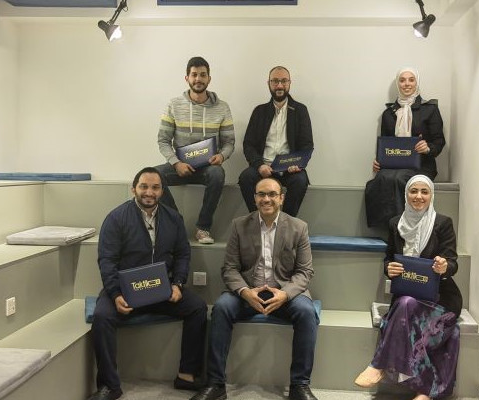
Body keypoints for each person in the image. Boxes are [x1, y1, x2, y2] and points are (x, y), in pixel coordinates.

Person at [191, 177, 320, 400]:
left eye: (271, 194)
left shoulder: (299, 227)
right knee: (221, 308)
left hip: (284, 292)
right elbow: (230, 268)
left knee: (307, 312)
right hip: (248, 292)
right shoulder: (239, 225)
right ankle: (215, 383)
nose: (266, 199)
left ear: (281, 198)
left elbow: (304, 272)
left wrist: (285, 294)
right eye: (261, 194)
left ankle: (299, 385)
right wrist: (245, 292)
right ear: (254, 198)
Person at [88, 167, 207, 400]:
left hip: (162, 290)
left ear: (162, 191)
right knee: (102, 318)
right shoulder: (116, 218)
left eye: (155, 187)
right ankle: (109, 386)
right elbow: (107, 260)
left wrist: (178, 284)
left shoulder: (174, 218)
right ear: (134, 189)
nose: (149, 192)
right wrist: (114, 294)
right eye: (144, 186)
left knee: (198, 308)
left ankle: (186, 375)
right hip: (126, 291)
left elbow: (183, 254)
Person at [355, 175, 462, 400]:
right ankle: (424, 390)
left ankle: (379, 365)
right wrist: (389, 268)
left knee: (406, 305)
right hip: (408, 295)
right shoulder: (396, 223)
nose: (419, 196)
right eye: (414, 191)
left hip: (441, 299)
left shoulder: (442, 223)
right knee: (405, 303)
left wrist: (444, 266)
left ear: (432, 195)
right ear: (406, 195)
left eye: (425, 191)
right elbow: (388, 259)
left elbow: (452, 262)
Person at [157, 56, 235, 244]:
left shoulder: (222, 107)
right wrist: (176, 163)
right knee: (153, 176)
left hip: (208, 168)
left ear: (209, 78)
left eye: (202, 75)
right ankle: (176, 223)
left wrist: (222, 156)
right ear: (187, 78)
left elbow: (229, 142)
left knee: (218, 174)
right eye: (194, 75)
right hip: (181, 167)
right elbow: (163, 140)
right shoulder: (173, 105)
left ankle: (203, 229)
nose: (198, 79)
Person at [365, 67, 445, 228]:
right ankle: (388, 228)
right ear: (398, 83)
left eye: (411, 79)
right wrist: (379, 161)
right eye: (402, 80)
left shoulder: (430, 109)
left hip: (422, 166)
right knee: (380, 179)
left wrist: (428, 147)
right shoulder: (389, 113)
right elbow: (385, 144)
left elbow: (439, 141)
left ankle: (405, 228)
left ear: (417, 82)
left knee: (400, 179)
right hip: (393, 166)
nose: (406, 84)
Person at [239, 66, 313, 217]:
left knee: (300, 180)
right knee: (246, 177)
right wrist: (259, 165)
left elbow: (307, 145)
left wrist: (297, 164)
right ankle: (257, 221)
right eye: (275, 81)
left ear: (290, 83)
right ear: (269, 83)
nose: (279, 85)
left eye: (284, 81)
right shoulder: (259, 111)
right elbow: (249, 145)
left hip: (289, 169)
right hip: (264, 166)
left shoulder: (300, 111)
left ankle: (284, 224)